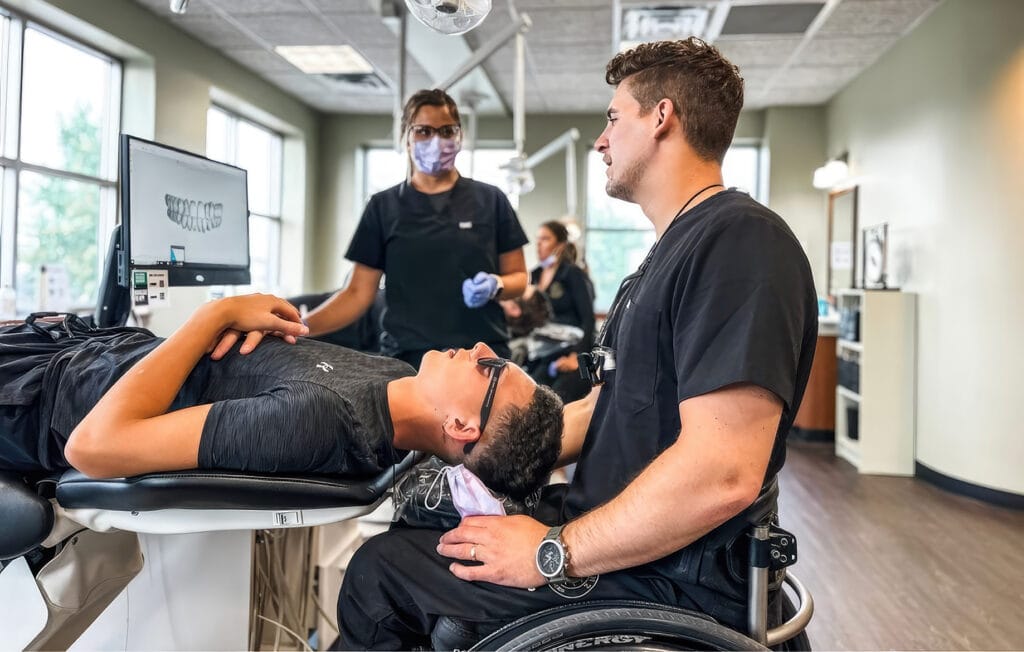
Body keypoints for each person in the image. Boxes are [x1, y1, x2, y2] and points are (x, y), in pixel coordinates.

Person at [335, 37, 818, 649]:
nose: (601, 139)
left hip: (669, 579)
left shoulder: (739, 243)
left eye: (615, 117)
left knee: (381, 574)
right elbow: (606, 410)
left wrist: (552, 552)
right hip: (626, 544)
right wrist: (449, 444)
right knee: (419, 528)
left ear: (662, 117)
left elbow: (723, 473)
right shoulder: (670, 254)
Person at [0, 294, 562, 501]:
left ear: (462, 426)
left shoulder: (320, 423)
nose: (484, 345)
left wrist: (213, 316)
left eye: (493, 367)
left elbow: (95, 446)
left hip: (38, 396)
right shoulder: (394, 375)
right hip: (75, 348)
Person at [302, 89, 530, 369]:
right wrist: (300, 328)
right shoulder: (383, 207)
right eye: (423, 131)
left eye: (447, 130)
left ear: (459, 136)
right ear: (405, 137)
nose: (437, 141)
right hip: (407, 359)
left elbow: (519, 277)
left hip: (480, 355)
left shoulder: (491, 200)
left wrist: (498, 284)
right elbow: (357, 294)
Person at [529, 220, 595, 402]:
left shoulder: (572, 274)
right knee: (529, 399)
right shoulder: (534, 276)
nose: (539, 244)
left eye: (545, 239)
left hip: (570, 353)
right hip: (542, 355)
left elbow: (588, 319)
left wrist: (577, 357)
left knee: (557, 401)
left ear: (560, 244)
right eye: (537, 239)